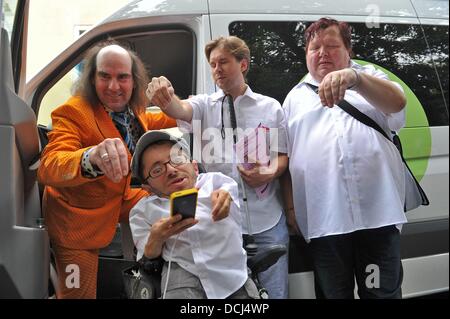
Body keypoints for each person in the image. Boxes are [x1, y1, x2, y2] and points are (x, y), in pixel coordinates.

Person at [146, 36, 290, 298]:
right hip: (221, 227)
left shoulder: (270, 107)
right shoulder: (203, 105)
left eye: (223, 62)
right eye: (212, 64)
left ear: (243, 64)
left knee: (274, 295)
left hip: (267, 221)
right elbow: (178, 108)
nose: (217, 70)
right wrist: (165, 96)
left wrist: (269, 172)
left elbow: (283, 157)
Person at [37, 41, 177, 299]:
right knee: (78, 294)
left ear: (134, 81)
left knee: (176, 196)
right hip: (77, 225)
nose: (114, 87)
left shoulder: (132, 109)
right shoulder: (73, 113)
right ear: (92, 78)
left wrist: (187, 107)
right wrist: (91, 158)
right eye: (105, 76)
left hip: (119, 198)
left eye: (122, 77)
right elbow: (50, 165)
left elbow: (159, 117)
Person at [281, 17, 408, 299]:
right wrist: (291, 212)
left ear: (348, 50)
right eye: (315, 48)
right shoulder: (294, 99)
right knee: (334, 295)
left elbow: (397, 103)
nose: (323, 53)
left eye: (332, 46)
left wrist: (356, 79)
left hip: (377, 216)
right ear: (306, 54)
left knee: (380, 294)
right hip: (324, 221)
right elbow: (286, 162)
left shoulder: (370, 78)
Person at [129, 130, 260, 299]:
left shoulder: (216, 182)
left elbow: (230, 196)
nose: (170, 170)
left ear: (195, 166)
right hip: (183, 278)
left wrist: (225, 199)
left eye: (177, 159)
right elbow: (146, 259)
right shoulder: (142, 212)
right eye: (157, 170)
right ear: (148, 188)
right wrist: (156, 238)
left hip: (231, 277)